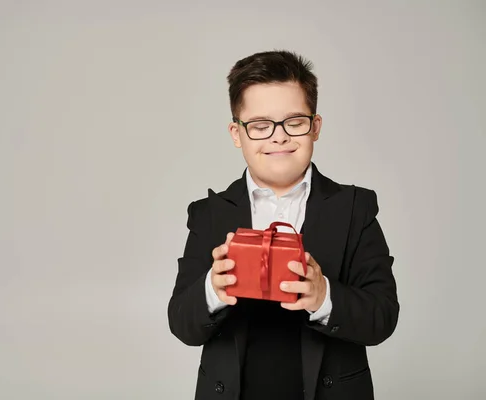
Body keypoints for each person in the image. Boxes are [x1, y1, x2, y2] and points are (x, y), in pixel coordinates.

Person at [167, 50, 399, 400]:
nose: (279, 137)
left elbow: (383, 316)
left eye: (294, 122)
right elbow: (182, 323)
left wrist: (324, 295)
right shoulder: (209, 213)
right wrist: (212, 289)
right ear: (236, 133)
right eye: (260, 126)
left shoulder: (354, 208)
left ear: (315, 127)